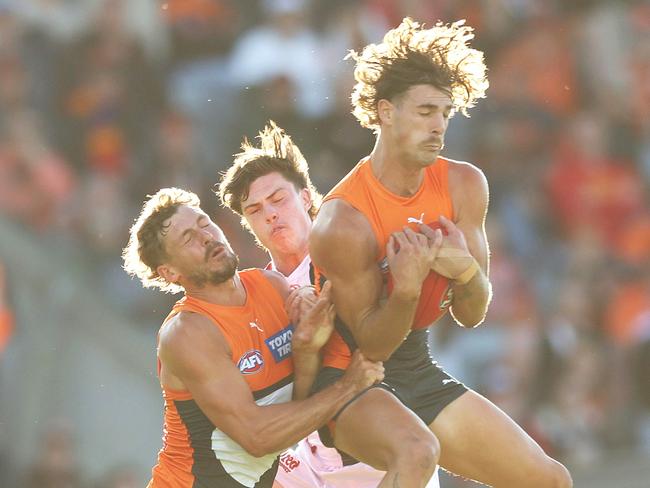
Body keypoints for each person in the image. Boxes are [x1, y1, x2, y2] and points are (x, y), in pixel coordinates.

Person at [306, 18, 574, 487]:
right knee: (416, 453)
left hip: (415, 364)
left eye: (446, 113)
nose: (439, 126)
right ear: (385, 112)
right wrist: (406, 289)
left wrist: (468, 274)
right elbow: (371, 345)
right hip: (346, 377)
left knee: (550, 480)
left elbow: (472, 314)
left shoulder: (465, 184)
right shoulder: (342, 220)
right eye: (426, 111)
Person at [218, 122, 440, 487]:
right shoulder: (252, 297)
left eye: (278, 199)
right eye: (255, 210)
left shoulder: (351, 252)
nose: (271, 214)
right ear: (247, 225)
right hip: (302, 463)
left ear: (305, 197)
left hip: (378, 446)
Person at [121, 187, 383, 488]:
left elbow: (299, 404)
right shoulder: (187, 332)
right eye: (188, 238)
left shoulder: (272, 286)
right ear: (169, 272)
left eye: (204, 224)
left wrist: (307, 348)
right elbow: (258, 438)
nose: (206, 236)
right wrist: (348, 386)